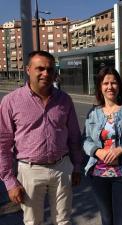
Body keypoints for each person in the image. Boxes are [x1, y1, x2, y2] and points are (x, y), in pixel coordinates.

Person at [0, 50, 83, 225]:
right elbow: (3, 144)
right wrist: (10, 182)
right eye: (40, 68)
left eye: (50, 69)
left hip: (62, 167)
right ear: (28, 69)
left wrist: (76, 166)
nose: (46, 73)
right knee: (33, 222)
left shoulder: (64, 100)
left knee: (63, 221)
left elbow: (74, 136)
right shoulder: (11, 101)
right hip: (30, 171)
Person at [83, 66, 122, 225]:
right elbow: (84, 139)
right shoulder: (93, 113)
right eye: (105, 83)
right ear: (100, 86)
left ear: (119, 85)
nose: (110, 87)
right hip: (98, 175)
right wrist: (96, 151)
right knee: (106, 219)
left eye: (114, 83)